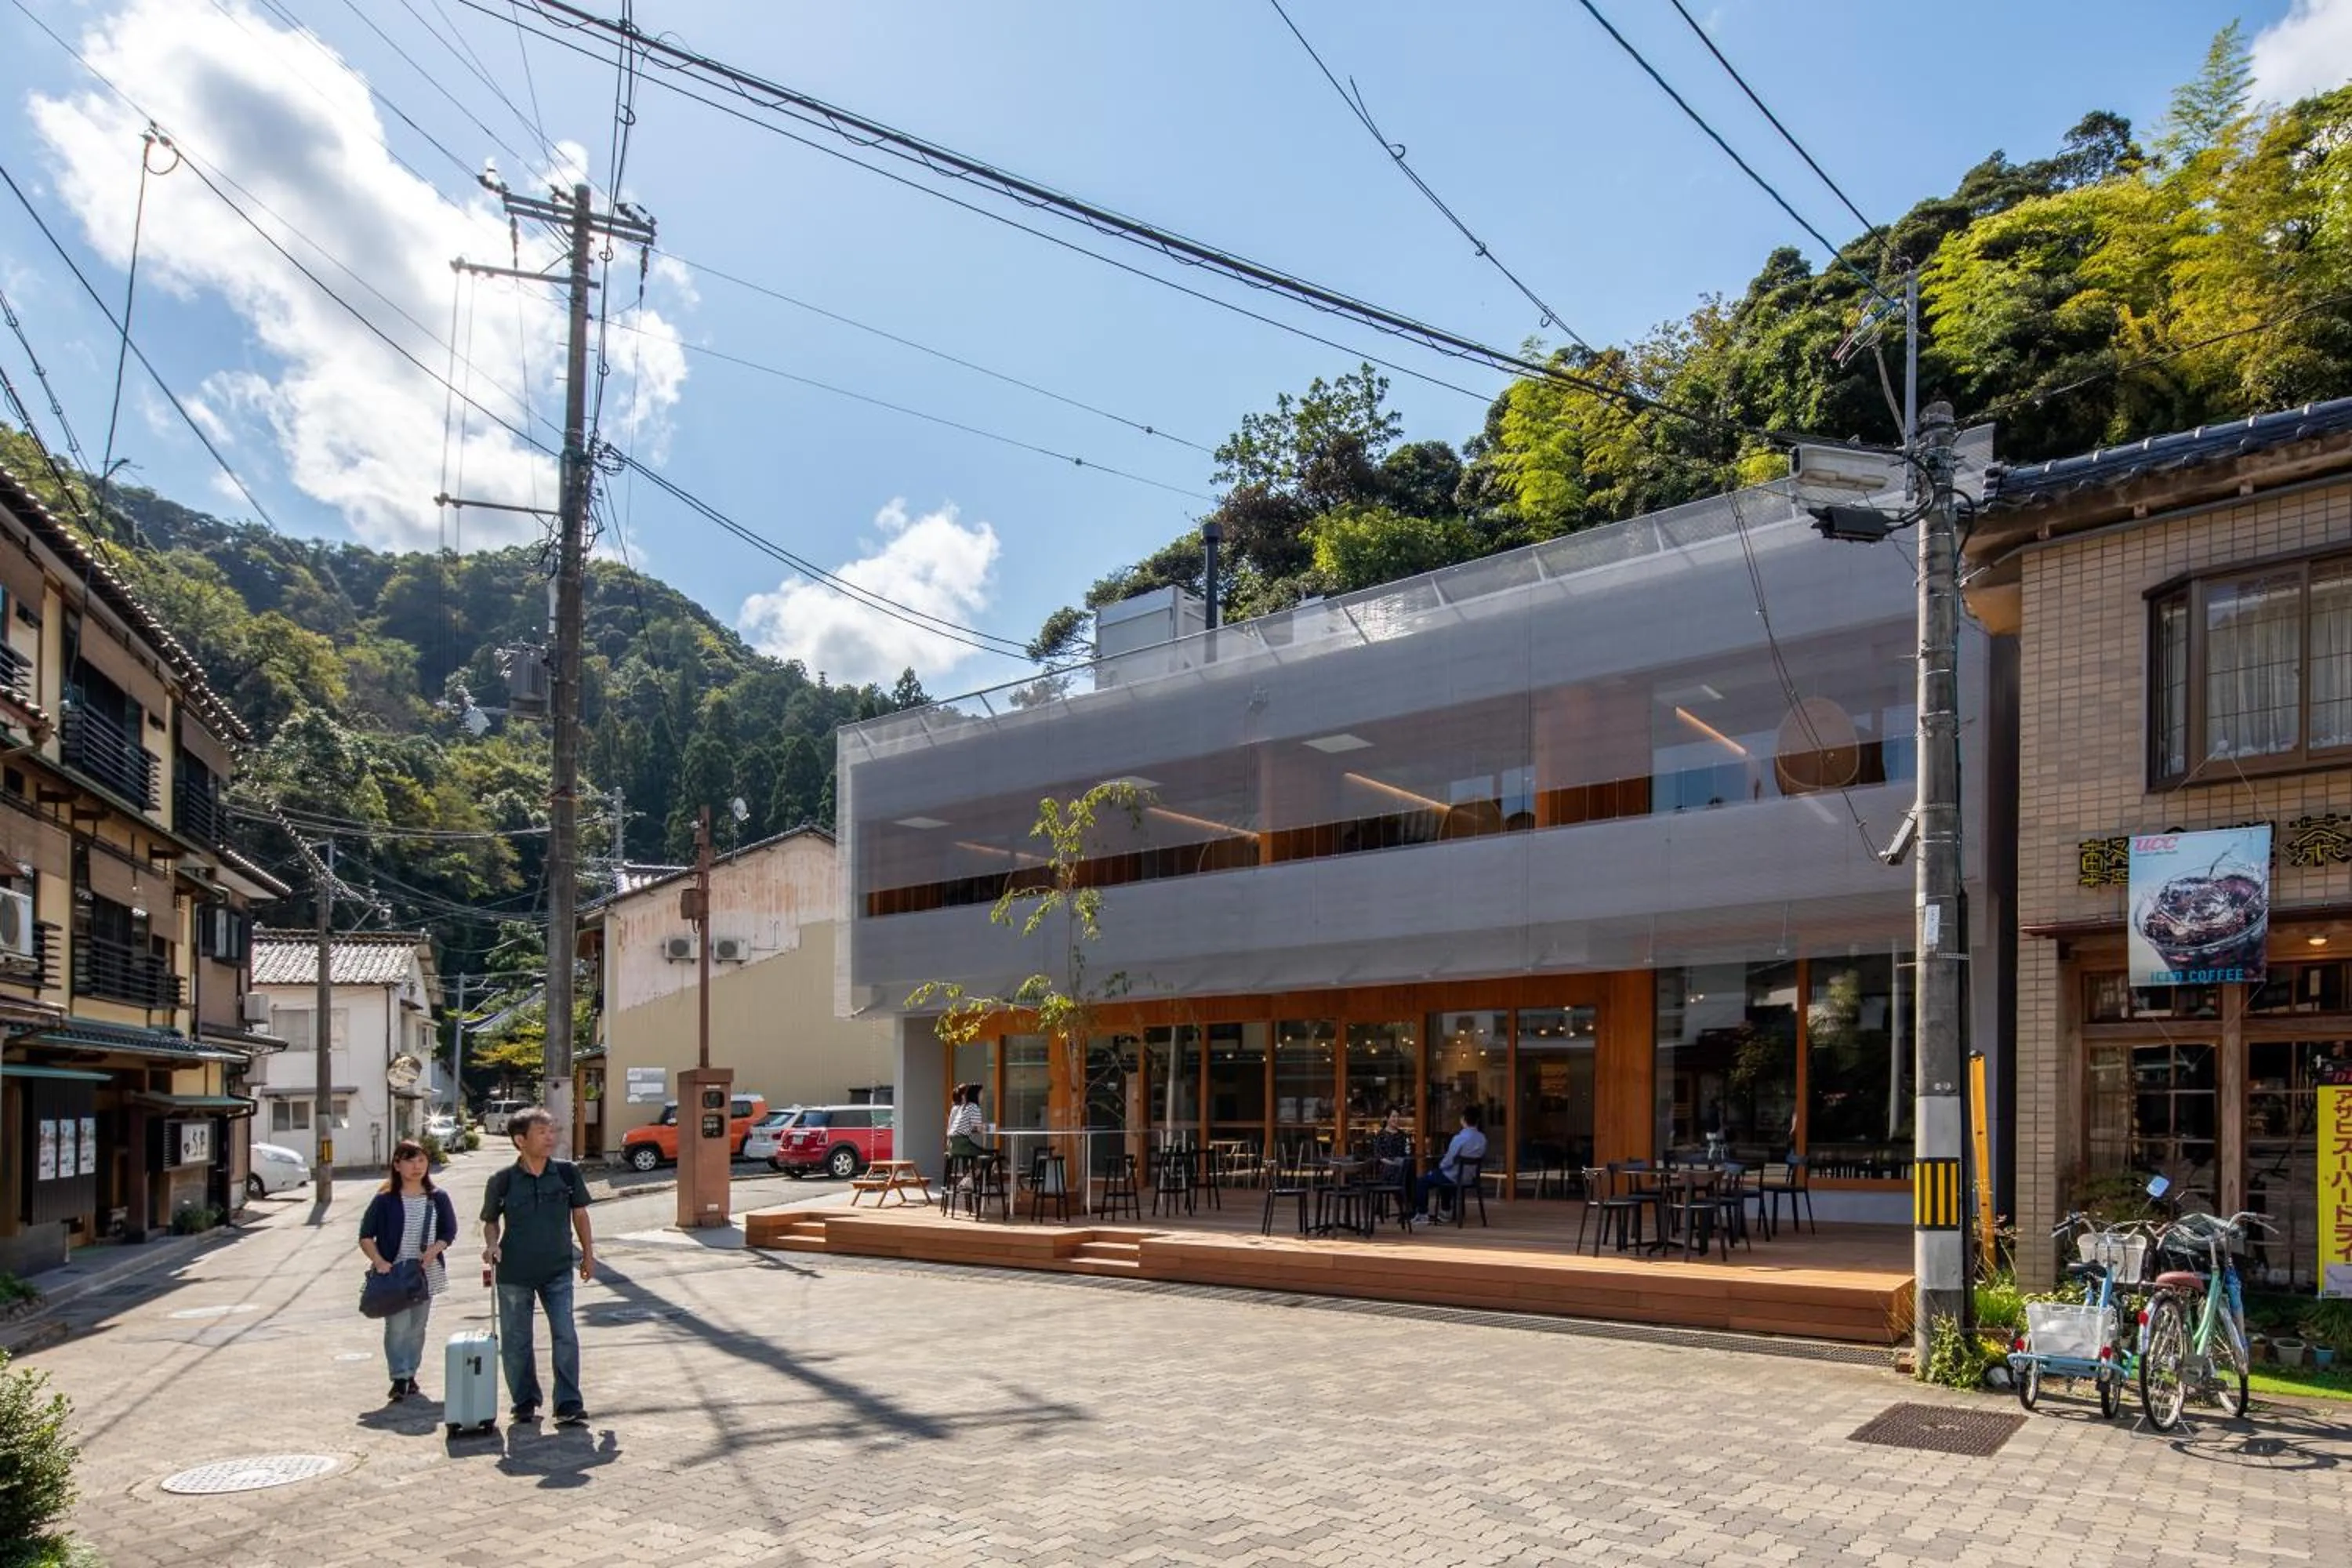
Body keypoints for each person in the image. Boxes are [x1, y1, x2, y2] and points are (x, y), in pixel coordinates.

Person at [480, 1106, 594, 1425]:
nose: (550, 1138)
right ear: (520, 1140)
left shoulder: (567, 1173)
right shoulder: (502, 1181)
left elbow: (580, 1215)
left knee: (565, 1333)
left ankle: (568, 1403)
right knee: (516, 1340)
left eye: (551, 1131)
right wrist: (492, 1244)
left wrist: (588, 1254)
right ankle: (524, 1401)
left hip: (558, 1268)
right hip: (514, 1272)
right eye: (541, 1132)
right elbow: (490, 1221)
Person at [358, 1138, 459, 1403]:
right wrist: (379, 1261)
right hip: (394, 1273)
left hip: (425, 1272)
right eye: (410, 1161)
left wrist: (435, 1249)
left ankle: (411, 1372)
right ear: (397, 1165)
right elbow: (366, 1235)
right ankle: (399, 1376)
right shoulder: (385, 1200)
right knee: (397, 1326)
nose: (417, 1166)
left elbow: (449, 1231)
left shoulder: (438, 1197)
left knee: (417, 1326)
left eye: (422, 1160)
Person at [1411, 1106, 1487, 1226]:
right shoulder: (1482, 1139)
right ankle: (1445, 1212)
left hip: (1454, 1176)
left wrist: (1440, 1166)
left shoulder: (1460, 1138)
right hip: (1470, 1177)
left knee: (1423, 1181)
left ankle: (1422, 1214)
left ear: (1463, 1119)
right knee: (1443, 1177)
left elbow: (1448, 1161)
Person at [947, 1083, 990, 1160]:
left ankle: (973, 1168)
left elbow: (970, 1126)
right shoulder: (974, 1107)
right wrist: (985, 1127)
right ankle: (983, 1169)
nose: (983, 1096)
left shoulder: (964, 1106)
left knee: (979, 1151)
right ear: (976, 1095)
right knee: (988, 1154)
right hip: (961, 1144)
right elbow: (978, 1129)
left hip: (952, 1144)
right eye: (981, 1093)